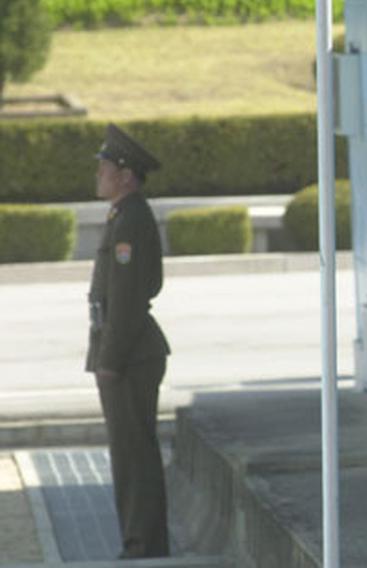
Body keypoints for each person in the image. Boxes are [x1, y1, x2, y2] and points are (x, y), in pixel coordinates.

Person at [85, 123, 171, 559]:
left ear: (125, 174)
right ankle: (140, 542)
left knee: (134, 456)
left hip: (130, 355)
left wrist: (110, 358)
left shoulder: (131, 219)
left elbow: (127, 299)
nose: (98, 174)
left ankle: (143, 546)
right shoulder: (124, 215)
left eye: (104, 168)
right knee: (129, 454)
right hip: (127, 351)